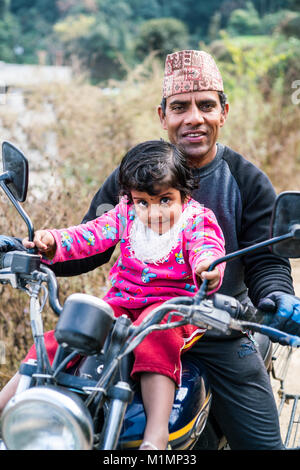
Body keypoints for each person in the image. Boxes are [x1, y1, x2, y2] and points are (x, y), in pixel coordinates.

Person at [0, 49, 299, 449]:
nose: (194, 117)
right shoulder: (134, 177)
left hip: (217, 326)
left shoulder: (245, 180)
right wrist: (33, 249)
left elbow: (265, 259)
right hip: (126, 322)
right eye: (180, 107)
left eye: (206, 105)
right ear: (163, 116)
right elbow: (92, 241)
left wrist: (278, 296)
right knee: (61, 373)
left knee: (263, 445)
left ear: (223, 112)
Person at [1, 140, 226, 450]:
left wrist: (206, 267)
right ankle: (6, 410)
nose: (153, 211)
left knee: (153, 337)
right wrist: (52, 241)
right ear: (131, 200)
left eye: (165, 200)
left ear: (184, 193)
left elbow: (208, 250)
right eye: (143, 202)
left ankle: (156, 435)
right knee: (64, 334)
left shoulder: (197, 221)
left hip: (175, 308)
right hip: (122, 303)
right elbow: (89, 234)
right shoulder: (125, 215)